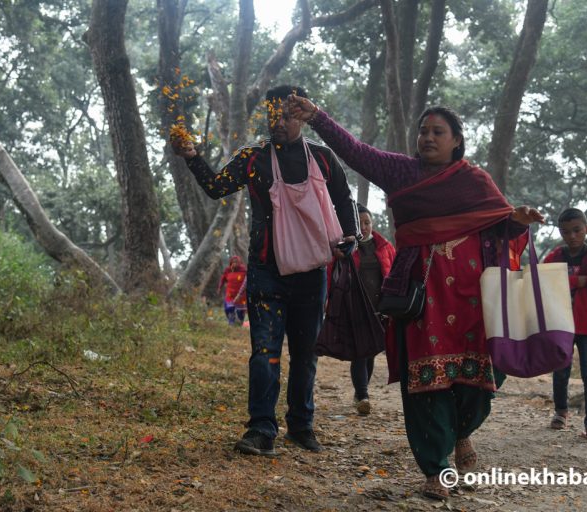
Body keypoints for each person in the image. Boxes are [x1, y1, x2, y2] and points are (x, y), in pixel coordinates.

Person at [287, 96, 543, 500]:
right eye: (423, 131)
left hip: (474, 297)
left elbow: (498, 224)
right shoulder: (402, 172)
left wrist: (517, 219)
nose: (427, 137)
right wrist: (317, 116)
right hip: (422, 295)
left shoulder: (475, 181)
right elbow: (355, 151)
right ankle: (437, 468)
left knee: (481, 380)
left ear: (457, 141)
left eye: (437, 132)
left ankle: (461, 433)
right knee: (426, 380)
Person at [172, 85, 359, 457]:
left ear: (303, 116)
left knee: (305, 354)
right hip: (265, 272)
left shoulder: (322, 158)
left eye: (288, 115)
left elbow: (344, 199)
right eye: (273, 114)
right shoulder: (253, 158)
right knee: (264, 353)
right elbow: (215, 187)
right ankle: (261, 429)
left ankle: (301, 426)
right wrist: (192, 155)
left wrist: (351, 237)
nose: (279, 121)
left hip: (310, 274)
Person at [543, 209, 587, 443]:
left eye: (577, 230)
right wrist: (576, 280)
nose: (571, 236)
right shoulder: (555, 257)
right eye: (565, 232)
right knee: (561, 371)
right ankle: (561, 412)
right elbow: (543, 281)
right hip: (561, 323)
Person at [348, 204, 396, 415]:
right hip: (355, 308)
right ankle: (363, 394)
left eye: (367, 222)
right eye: (359, 223)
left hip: (379, 310)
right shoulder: (346, 248)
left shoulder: (385, 247)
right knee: (360, 352)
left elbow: (394, 274)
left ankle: (360, 394)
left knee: (370, 354)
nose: (364, 227)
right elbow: (333, 275)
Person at [218, 255, 247, 326]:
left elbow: (247, 282)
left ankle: (239, 323)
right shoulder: (228, 271)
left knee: (241, 310)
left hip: (241, 295)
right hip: (230, 294)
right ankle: (231, 322)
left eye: (236, 262)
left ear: (239, 263)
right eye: (233, 262)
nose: (234, 264)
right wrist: (219, 287)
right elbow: (223, 279)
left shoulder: (244, 271)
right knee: (229, 308)